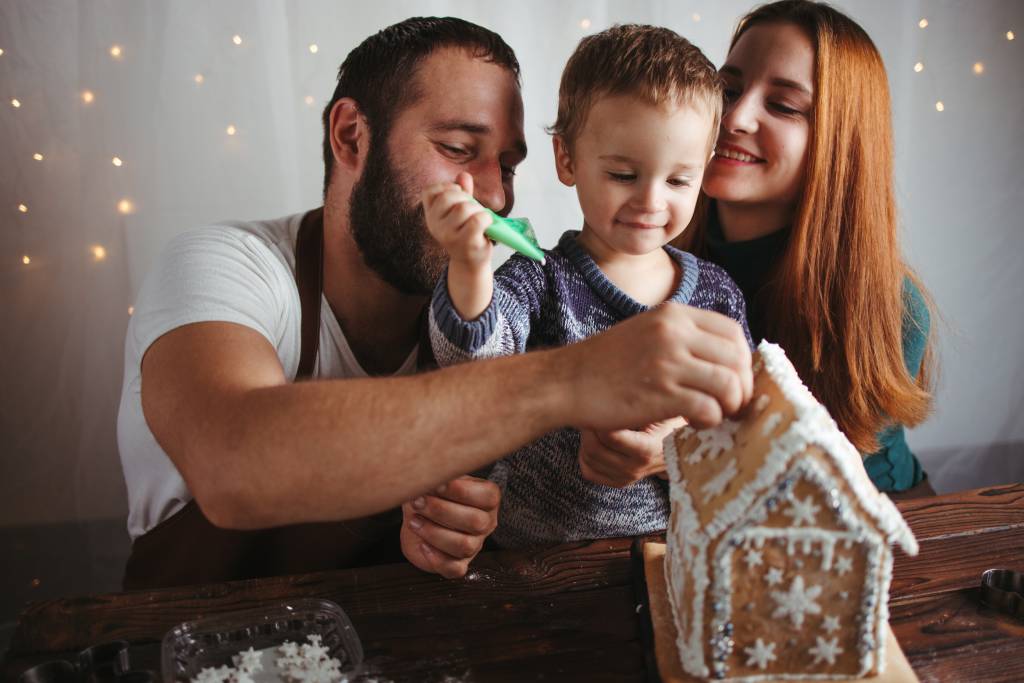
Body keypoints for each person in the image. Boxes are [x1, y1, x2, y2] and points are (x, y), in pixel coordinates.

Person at [116, 17, 754, 588]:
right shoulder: (226, 267)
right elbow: (234, 464)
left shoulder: (475, 298)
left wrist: (433, 529)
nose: (492, 198)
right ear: (350, 136)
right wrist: (577, 377)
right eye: (455, 149)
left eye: (506, 164)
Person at [422, 25, 753, 549]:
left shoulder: (717, 296)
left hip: (668, 554)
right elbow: (472, 368)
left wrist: (674, 450)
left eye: (678, 180)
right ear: (568, 160)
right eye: (624, 174)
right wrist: (469, 264)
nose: (651, 201)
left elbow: (746, 436)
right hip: (532, 556)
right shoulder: (540, 280)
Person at [588, 0, 935, 499]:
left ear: (839, 143)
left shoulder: (891, 306)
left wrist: (682, 451)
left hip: (874, 525)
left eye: (784, 105)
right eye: (728, 90)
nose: (734, 116)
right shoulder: (647, 260)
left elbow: (818, 483)